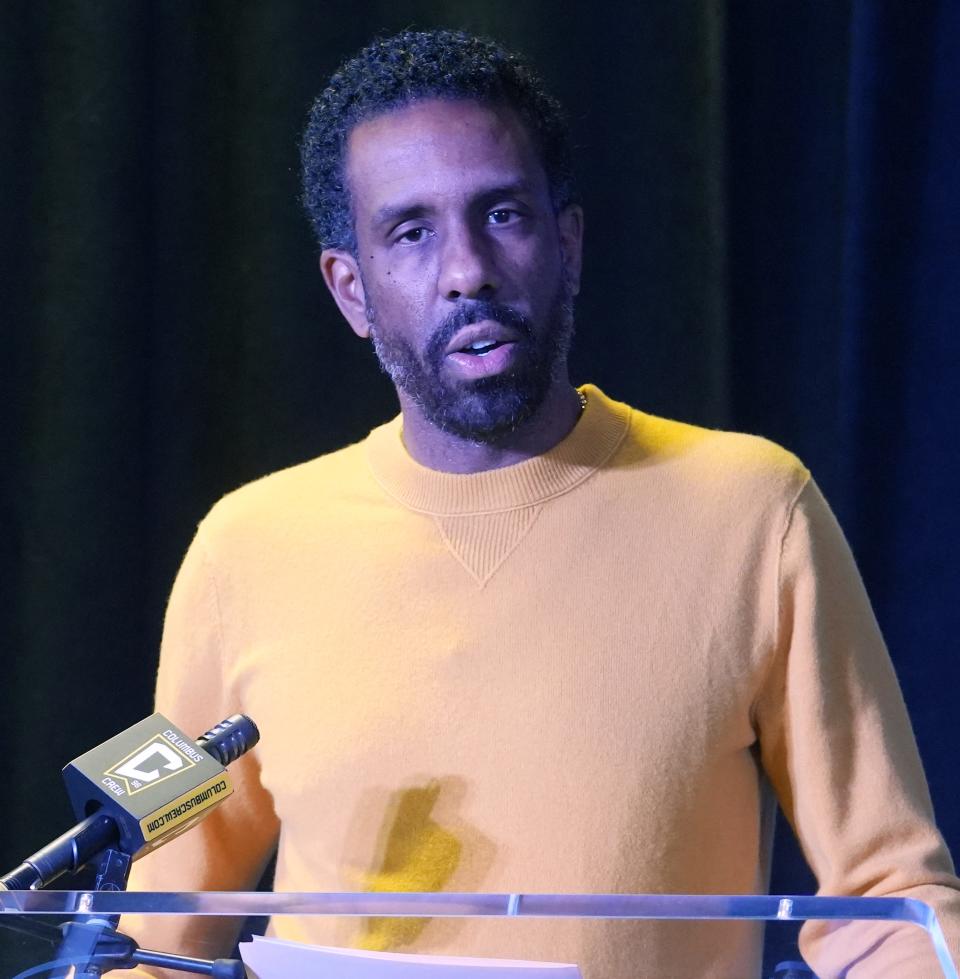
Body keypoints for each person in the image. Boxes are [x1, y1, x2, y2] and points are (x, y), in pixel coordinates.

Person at [125, 29, 960, 978]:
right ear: (351, 290)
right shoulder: (244, 549)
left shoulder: (755, 511)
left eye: (504, 215)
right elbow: (150, 923)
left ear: (566, 243)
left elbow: (891, 900)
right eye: (412, 232)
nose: (467, 269)